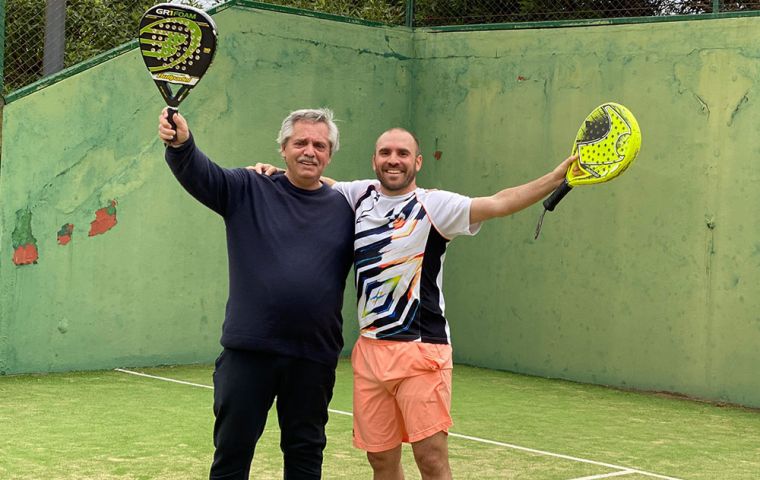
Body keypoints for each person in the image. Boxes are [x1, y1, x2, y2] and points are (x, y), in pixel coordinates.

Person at [251, 127, 577, 480]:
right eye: (386, 152)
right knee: (381, 460)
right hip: (371, 354)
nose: (394, 160)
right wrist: (277, 172)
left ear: (417, 162)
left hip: (422, 352)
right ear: (374, 160)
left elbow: (500, 202)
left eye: (403, 154)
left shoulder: (436, 205)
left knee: (431, 460)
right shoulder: (357, 195)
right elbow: (316, 180)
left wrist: (556, 177)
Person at [158, 107, 355, 480]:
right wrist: (182, 143)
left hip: (313, 357)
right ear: (283, 148)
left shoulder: (348, 208)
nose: (309, 151)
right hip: (249, 353)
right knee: (232, 453)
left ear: (329, 154)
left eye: (319, 144)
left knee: (305, 455)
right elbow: (203, 175)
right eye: (300, 143)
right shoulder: (249, 188)